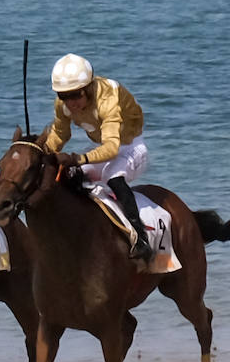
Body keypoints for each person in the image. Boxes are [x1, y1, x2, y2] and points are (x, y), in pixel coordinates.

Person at [45, 53, 152, 261]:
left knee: (113, 177)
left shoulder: (107, 99)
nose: (70, 103)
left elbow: (111, 148)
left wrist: (78, 159)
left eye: (75, 95)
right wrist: (41, 152)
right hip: (100, 148)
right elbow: (60, 134)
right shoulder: (63, 105)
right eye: (64, 96)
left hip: (130, 147)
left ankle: (141, 239)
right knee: (70, 176)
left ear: (88, 88)